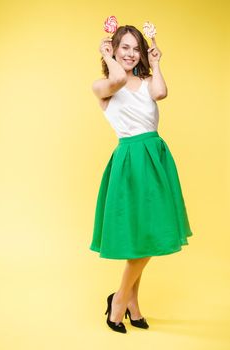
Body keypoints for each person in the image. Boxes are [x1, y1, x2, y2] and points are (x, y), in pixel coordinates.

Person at [89, 24, 193, 333]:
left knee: (148, 232)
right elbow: (118, 78)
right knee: (141, 234)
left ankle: (128, 301)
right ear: (114, 49)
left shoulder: (148, 81)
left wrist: (158, 62)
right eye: (125, 47)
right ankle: (121, 300)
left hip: (155, 157)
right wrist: (107, 55)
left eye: (137, 48)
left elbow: (161, 92)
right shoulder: (103, 86)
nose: (131, 54)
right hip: (130, 162)